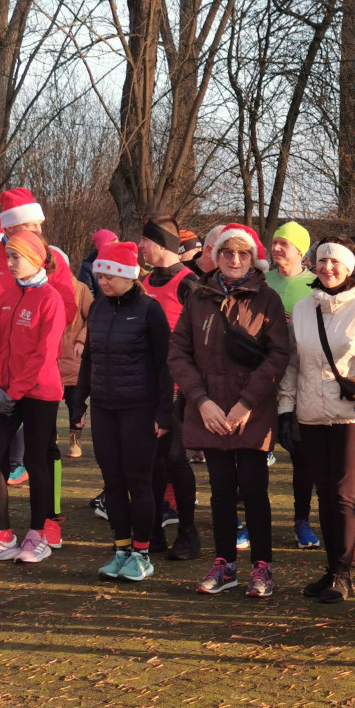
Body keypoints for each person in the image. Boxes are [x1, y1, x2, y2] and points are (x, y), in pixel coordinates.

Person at [168, 223, 290, 598]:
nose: (234, 260)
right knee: (220, 489)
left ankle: (262, 567)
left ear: (253, 258)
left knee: (253, 488)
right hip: (209, 411)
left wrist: (245, 404)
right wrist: (200, 401)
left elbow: (278, 355)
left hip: (251, 412)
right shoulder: (198, 297)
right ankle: (224, 564)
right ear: (215, 256)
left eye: (242, 254)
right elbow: (179, 353)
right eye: (227, 253)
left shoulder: (267, 299)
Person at [0, 188, 77, 549]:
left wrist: (29, 328)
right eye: (30, 224)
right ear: (9, 227)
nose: (38, 230)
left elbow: (64, 312)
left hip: (36, 376)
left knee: (44, 451)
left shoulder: (49, 259)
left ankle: (47, 521)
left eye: (38, 224)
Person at [278, 237, 355, 603]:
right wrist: (285, 409)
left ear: (349, 269)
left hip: (349, 418)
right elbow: (293, 363)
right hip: (310, 414)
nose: (328, 268)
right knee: (324, 494)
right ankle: (331, 569)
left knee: (344, 494)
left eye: (336, 263)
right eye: (322, 262)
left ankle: (343, 574)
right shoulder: (301, 309)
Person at [79, 241, 172, 582]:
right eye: (100, 275)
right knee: (112, 483)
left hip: (139, 408)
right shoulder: (100, 306)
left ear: (129, 276)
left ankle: (142, 553)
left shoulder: (150, 309)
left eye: (110, 275)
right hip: (105, 407)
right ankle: (120, 550)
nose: (103, 281)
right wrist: (79, 402)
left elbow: (165, 365)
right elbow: (90, 356)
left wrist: (164, 413)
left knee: (139, 481)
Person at [139, 217, 201, 559]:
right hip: (147, 384)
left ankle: (189, 533)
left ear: (160, 243)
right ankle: (155, 532)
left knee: (176, 458)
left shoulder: (187, 281)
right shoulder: (145, 280)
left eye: (145, 241)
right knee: (154, 460)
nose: (140, 247)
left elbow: (202, 334)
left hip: (177, 384)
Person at [264, 221, 322, 549]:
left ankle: (302, 520)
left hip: (301, 381)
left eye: (283, 244)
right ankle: (245, 519)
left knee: (303, 456)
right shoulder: (261, 281)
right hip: (261, 380)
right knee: (253, 453)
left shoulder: (316, 284)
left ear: (300, 250)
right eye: (274, 243)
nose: (276, 249)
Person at [59, 273, 94, 458]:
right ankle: (49, 435)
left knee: (76, 400)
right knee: (44, 401)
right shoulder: (41, 287)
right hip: (51, 355)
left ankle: (75, 438)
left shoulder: (81, 289)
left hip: (74, 355)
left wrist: (81, 340)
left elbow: (92, 318)